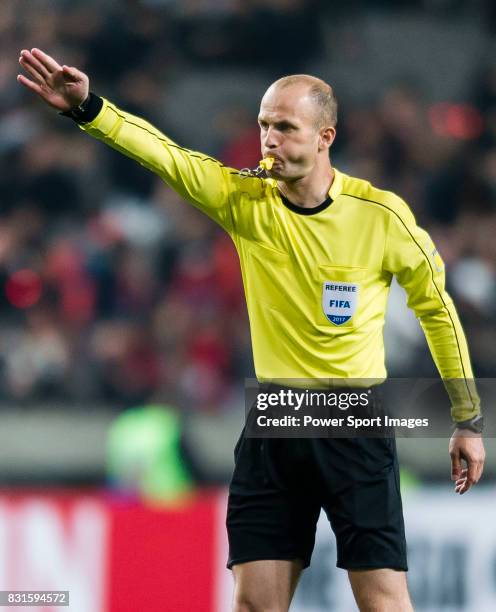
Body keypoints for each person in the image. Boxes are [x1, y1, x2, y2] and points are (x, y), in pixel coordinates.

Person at [18, 48, 485, 612]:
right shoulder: (246, 200)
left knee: (383, 600)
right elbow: (166, 157)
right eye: (264, 125)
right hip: (275, 423)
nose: (268, 139)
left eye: (285, 127)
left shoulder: (381, 217)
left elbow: (439, 311)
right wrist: (89, 109)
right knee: (254, 605)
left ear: (324, 136)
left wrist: (467, 417)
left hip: (353, 424)